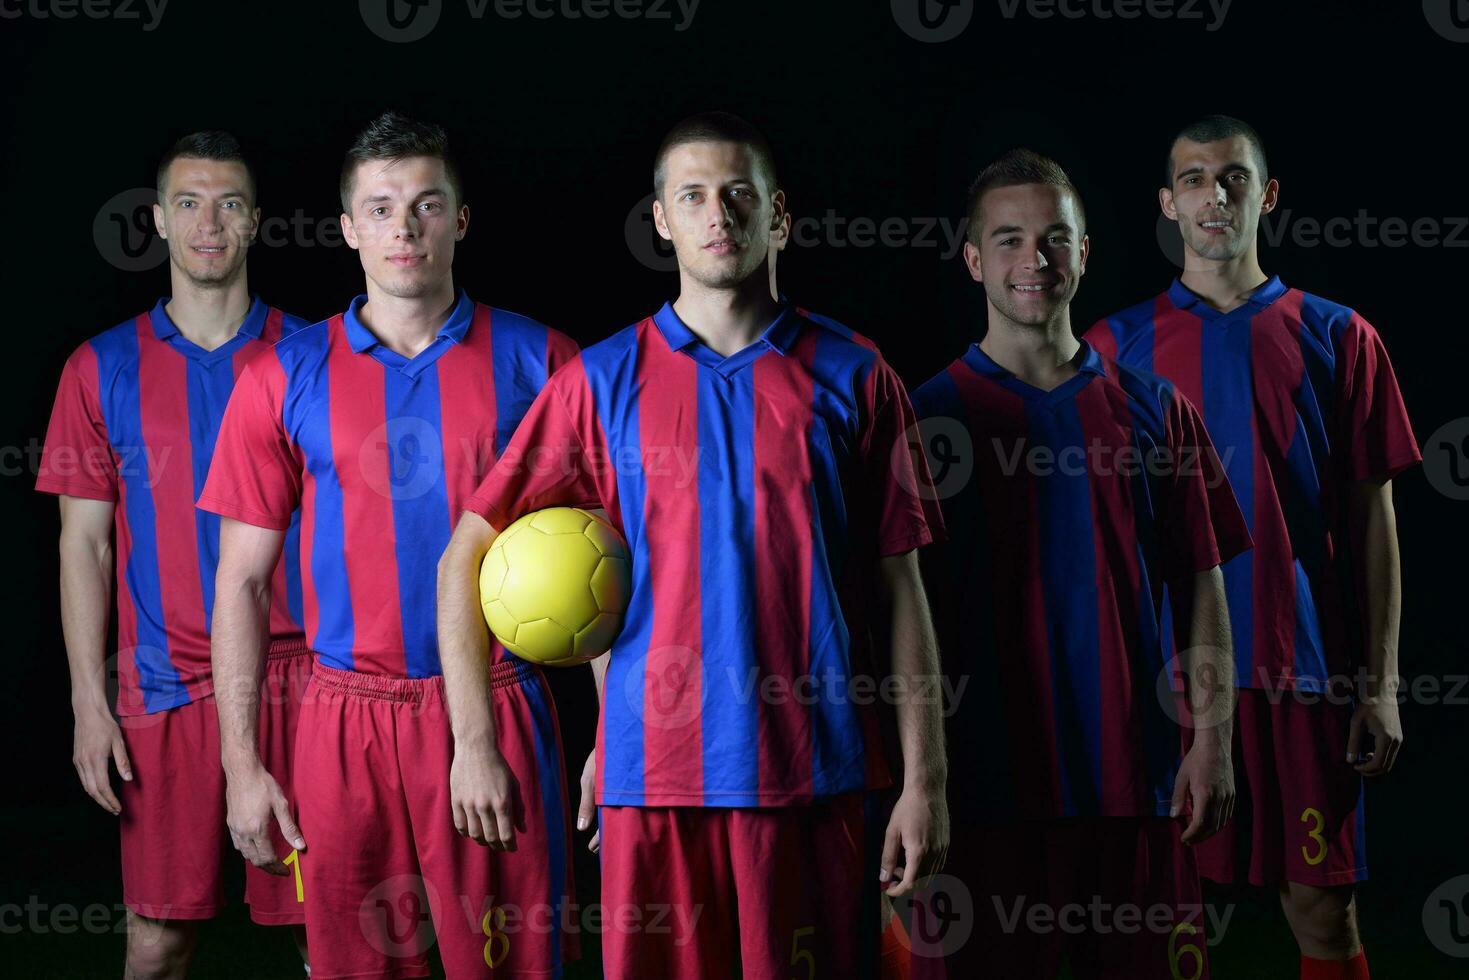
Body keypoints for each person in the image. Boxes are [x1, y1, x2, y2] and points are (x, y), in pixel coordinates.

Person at [438, 110, 948, 979]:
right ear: (662, 220)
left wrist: (924, 781)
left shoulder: (855, 373)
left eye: (738, 194)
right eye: (693, 196)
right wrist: (474, 743)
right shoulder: (597, 382)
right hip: (654, 779)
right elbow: (465, 556)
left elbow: (901, 588)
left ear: (777, 215)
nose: (718, 214)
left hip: (815, 773)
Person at [199, 112, 579, 979]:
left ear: (462, 218)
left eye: (425, 205)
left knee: (513, 966)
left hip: (495, 703)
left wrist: (615, 746)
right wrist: (243, 767)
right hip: (343, 717)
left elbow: (608, 563)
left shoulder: (545, 362)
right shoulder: (281, 375)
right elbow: (243, 587)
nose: (403, 228)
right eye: (379, 208)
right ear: (346, 228)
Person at [1085, 115, 1421, 980]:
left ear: (1264, 196)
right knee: (1171, 922)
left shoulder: (1340, 334)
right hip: (1168, 684)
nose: (1214, 193)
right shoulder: (1110, 347)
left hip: (1302, 667)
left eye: (1232, 176)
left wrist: (1378, 685)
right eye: (1193, 178)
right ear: (1168, 204)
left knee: (1321, 908)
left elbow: (1370, 521)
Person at [910, 148, 1251, 979]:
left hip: (1132, 779)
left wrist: (1213, 742)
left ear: (1085, 251)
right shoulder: (927, 418)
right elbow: (894, 612)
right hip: (982, 788)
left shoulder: (1153, 408)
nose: (1034, 260)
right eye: (1009, 240)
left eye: (1054, 239)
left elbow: (1202, 582)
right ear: (971, 259)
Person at [36, 131, 312, 978]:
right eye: (189, 203)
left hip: (298, 676)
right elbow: (83, 542)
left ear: (255, 221)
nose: (209, 223)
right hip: (161, 686)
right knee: (157, 939)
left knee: (325, 931)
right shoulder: (100, 365)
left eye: (229, 203)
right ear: (157, 221)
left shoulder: (312, 354)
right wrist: (88, 701)